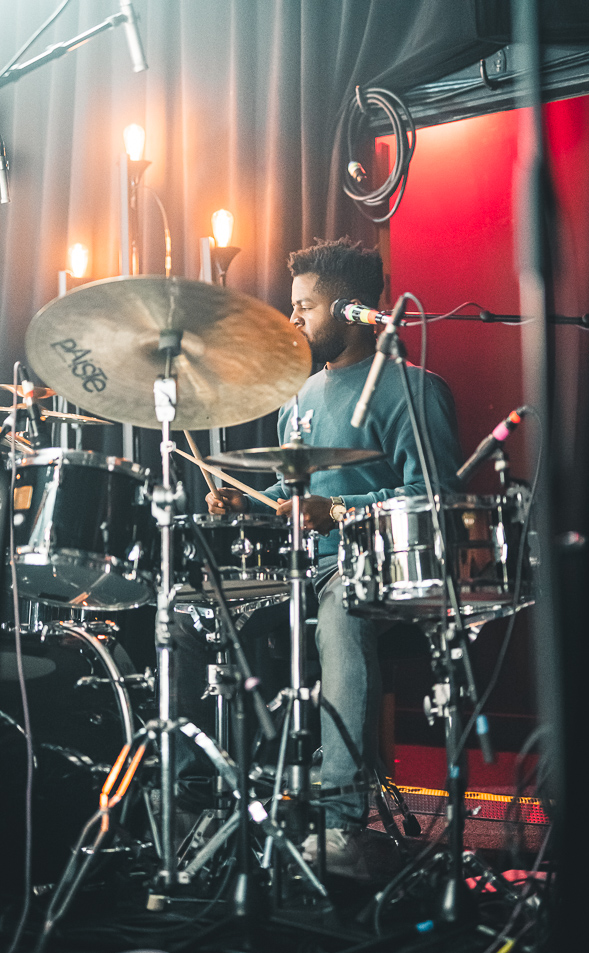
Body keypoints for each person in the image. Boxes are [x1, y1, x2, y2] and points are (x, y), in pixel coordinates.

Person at [205, 237, 462, 877]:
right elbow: (297, 490)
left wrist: (343, 513)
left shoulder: (411, 388)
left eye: (305, 306)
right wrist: (247, 503)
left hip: (373, 572)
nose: (292, 319)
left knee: (342, 617)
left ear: (349, 310)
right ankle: (198, 798)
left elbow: (437, 495)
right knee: (190, 611)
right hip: (301, 571)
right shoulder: (299, 396)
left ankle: (343, 823)